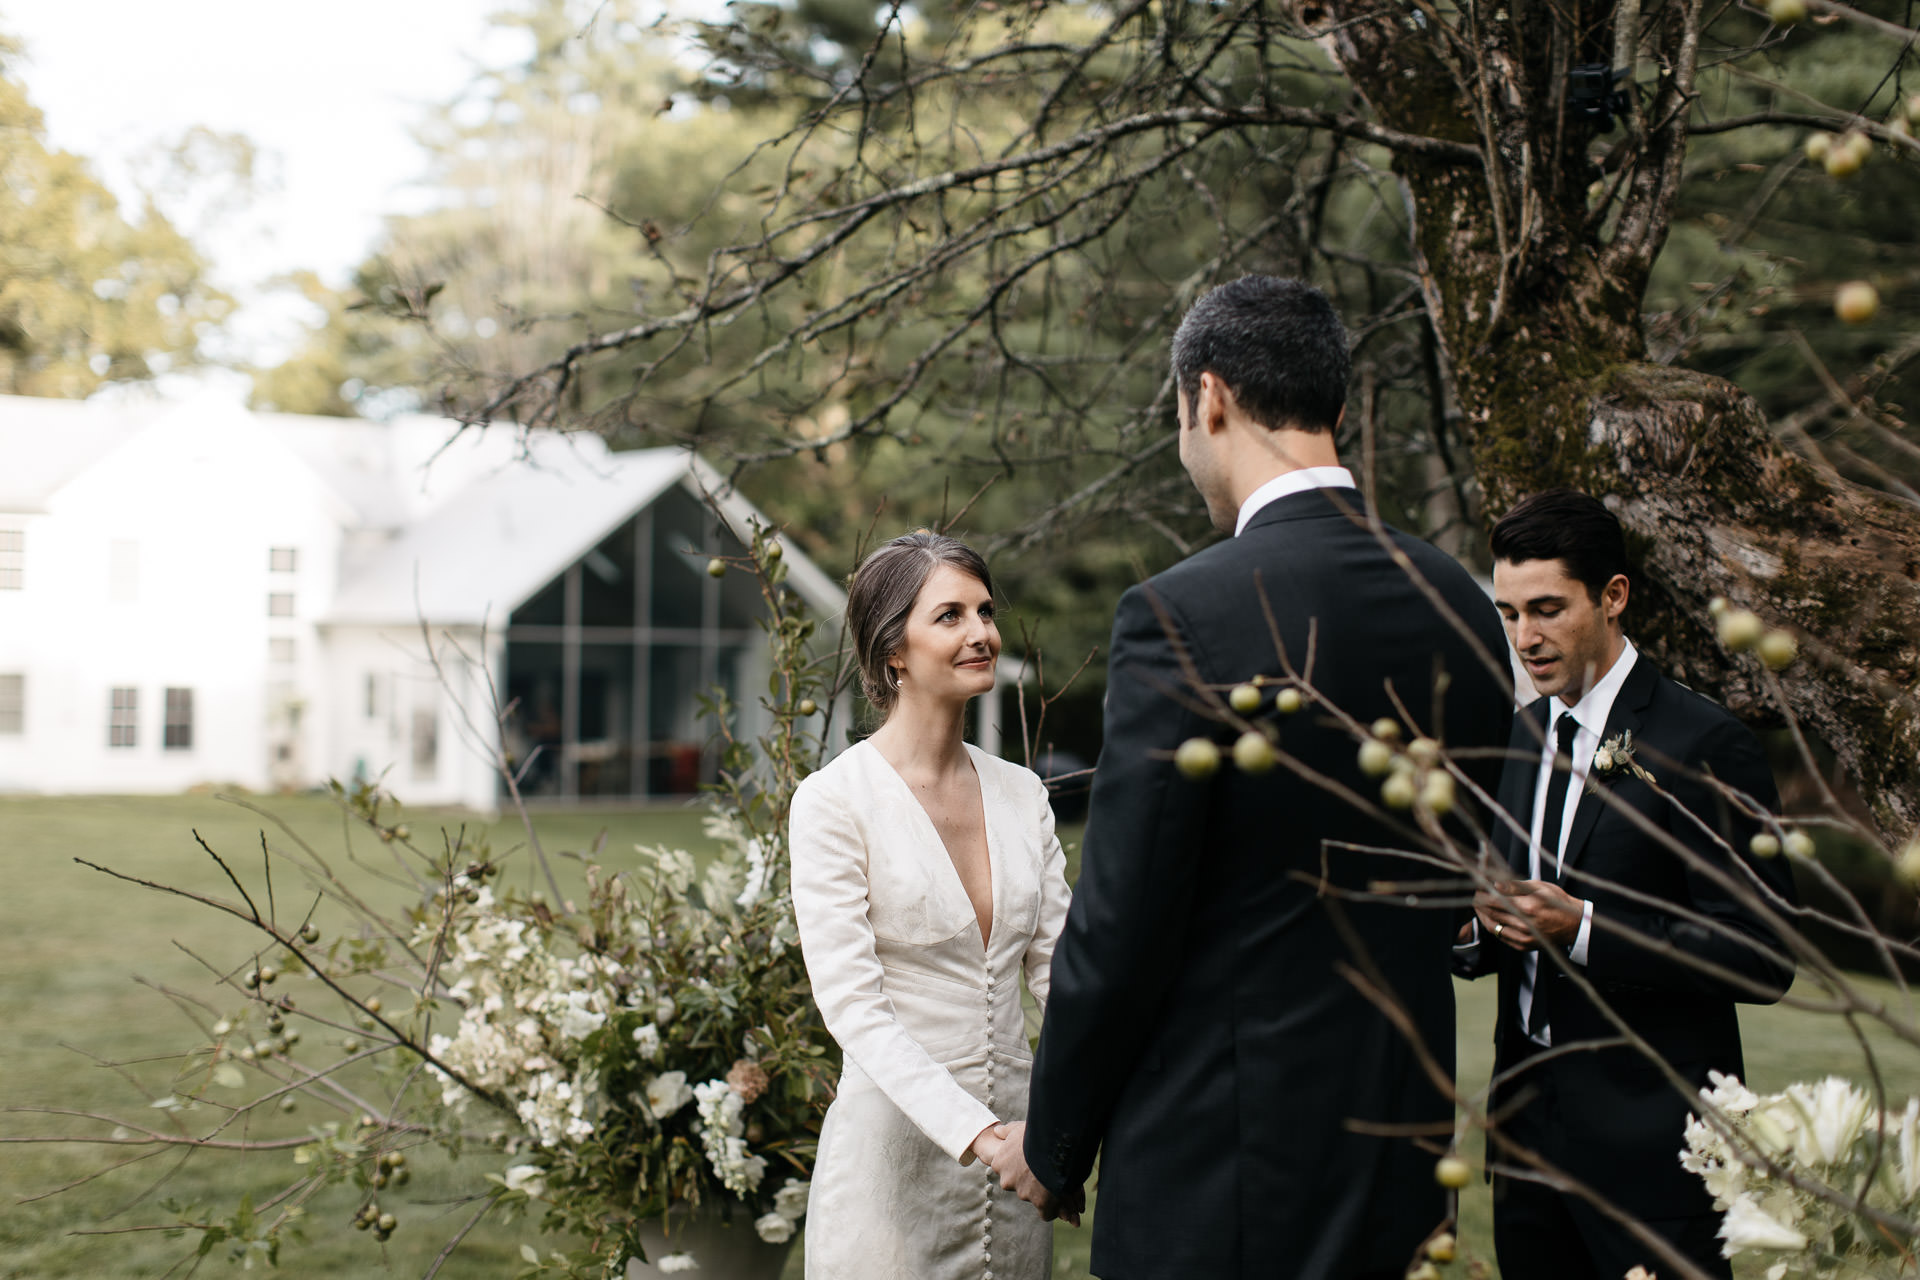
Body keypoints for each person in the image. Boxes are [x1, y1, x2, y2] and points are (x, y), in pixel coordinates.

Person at [996, 275, 1515, 1278]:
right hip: (1402, 1148)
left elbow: (1124, 918)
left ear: (1211, 398)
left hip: (1220, 1167)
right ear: (1336, 407)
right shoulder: (1459, 602)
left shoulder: (1181, 614)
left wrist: (1055, 1140)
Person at [1458, 489, 1798, 1280]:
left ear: (1613, 596)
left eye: (1547, 609)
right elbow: (1504, 915)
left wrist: (1584, 928)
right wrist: (1475, 928)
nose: (1525, 637)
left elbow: (1762, 954)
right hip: (1524, 1140)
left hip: (1655, 1158)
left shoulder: (1705, 743)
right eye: (1510, 614)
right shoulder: (1522, 735)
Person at [788, 531, 1073, 1280]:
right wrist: (983, 1138)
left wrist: (1060, 1138)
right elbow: (854, 1007)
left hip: (1020, 1165)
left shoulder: (1023, 794)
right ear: (894, 651)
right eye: (950, 615)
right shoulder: (833, 802)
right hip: (892, 1168)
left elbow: (1065, 978)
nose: (981, 632)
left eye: (985, 611)